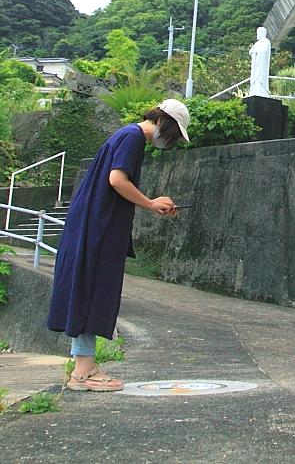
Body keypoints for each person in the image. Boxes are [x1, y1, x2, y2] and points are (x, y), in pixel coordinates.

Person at [46, 99, 189, 391]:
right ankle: (84, 372)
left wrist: (153, 204)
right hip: (98, 226)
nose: (170, 142)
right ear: (164, 122)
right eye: (174, 134)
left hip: (94, 223)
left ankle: (83, 366)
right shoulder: (133, 137)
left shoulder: (126, 135)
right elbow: (117, 180)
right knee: (93, 290)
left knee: (88, 288)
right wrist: (150, 203)